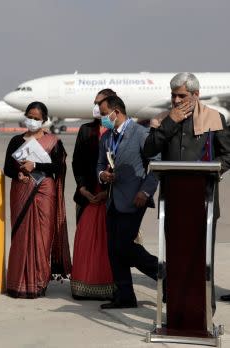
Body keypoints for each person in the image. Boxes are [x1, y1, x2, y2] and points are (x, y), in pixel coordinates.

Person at [143, 72, 230, 302]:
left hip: (204, 200)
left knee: (201, 259)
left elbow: (227, 155)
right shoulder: (163, 118)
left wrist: (213, 171)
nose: (176, 101)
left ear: (196, 95)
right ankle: (176, 311)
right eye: (173, 95)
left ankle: (203, 313)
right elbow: (149, 149)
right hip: (173, 200)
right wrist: (170, 121)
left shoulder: (214, 118)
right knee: (176, 258)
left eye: (181, 95)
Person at [3, 101, 71, 298]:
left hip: (44, 193)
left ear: (44, 120)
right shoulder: (16, 141)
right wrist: (19, 174)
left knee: (42, 237)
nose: (32, 121)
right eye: (29, 117)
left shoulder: (53, 141)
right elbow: (8, 168)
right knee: (21, 236)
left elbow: (59, 168)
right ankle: (18, 284)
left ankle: (39, 283)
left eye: (36, 118)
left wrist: (36, 166)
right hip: (21, 192)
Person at [97, 95, 159, 309]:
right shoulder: (106, 137)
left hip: (135, 199)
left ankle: (164, 273)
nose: (102, 118)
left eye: (104, 114)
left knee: (124, 246)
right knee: (114, 249)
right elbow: (100, 164)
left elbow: (157, 165)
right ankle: (125, 295)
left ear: (116, 111)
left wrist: (146, 191)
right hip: (113, 199)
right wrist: (102, 175)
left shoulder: (141, 134)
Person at [70, 89, 116, 300]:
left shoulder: (121, 131)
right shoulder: (86, 130)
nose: (97, 107)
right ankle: (83, 287)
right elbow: (77, 162)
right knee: (85, 241)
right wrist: (82, 188)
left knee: (111, 243)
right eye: (95, 103)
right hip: (88, 195)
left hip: (112, 196)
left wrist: (108, 192)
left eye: (101, 103)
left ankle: (113, 287)